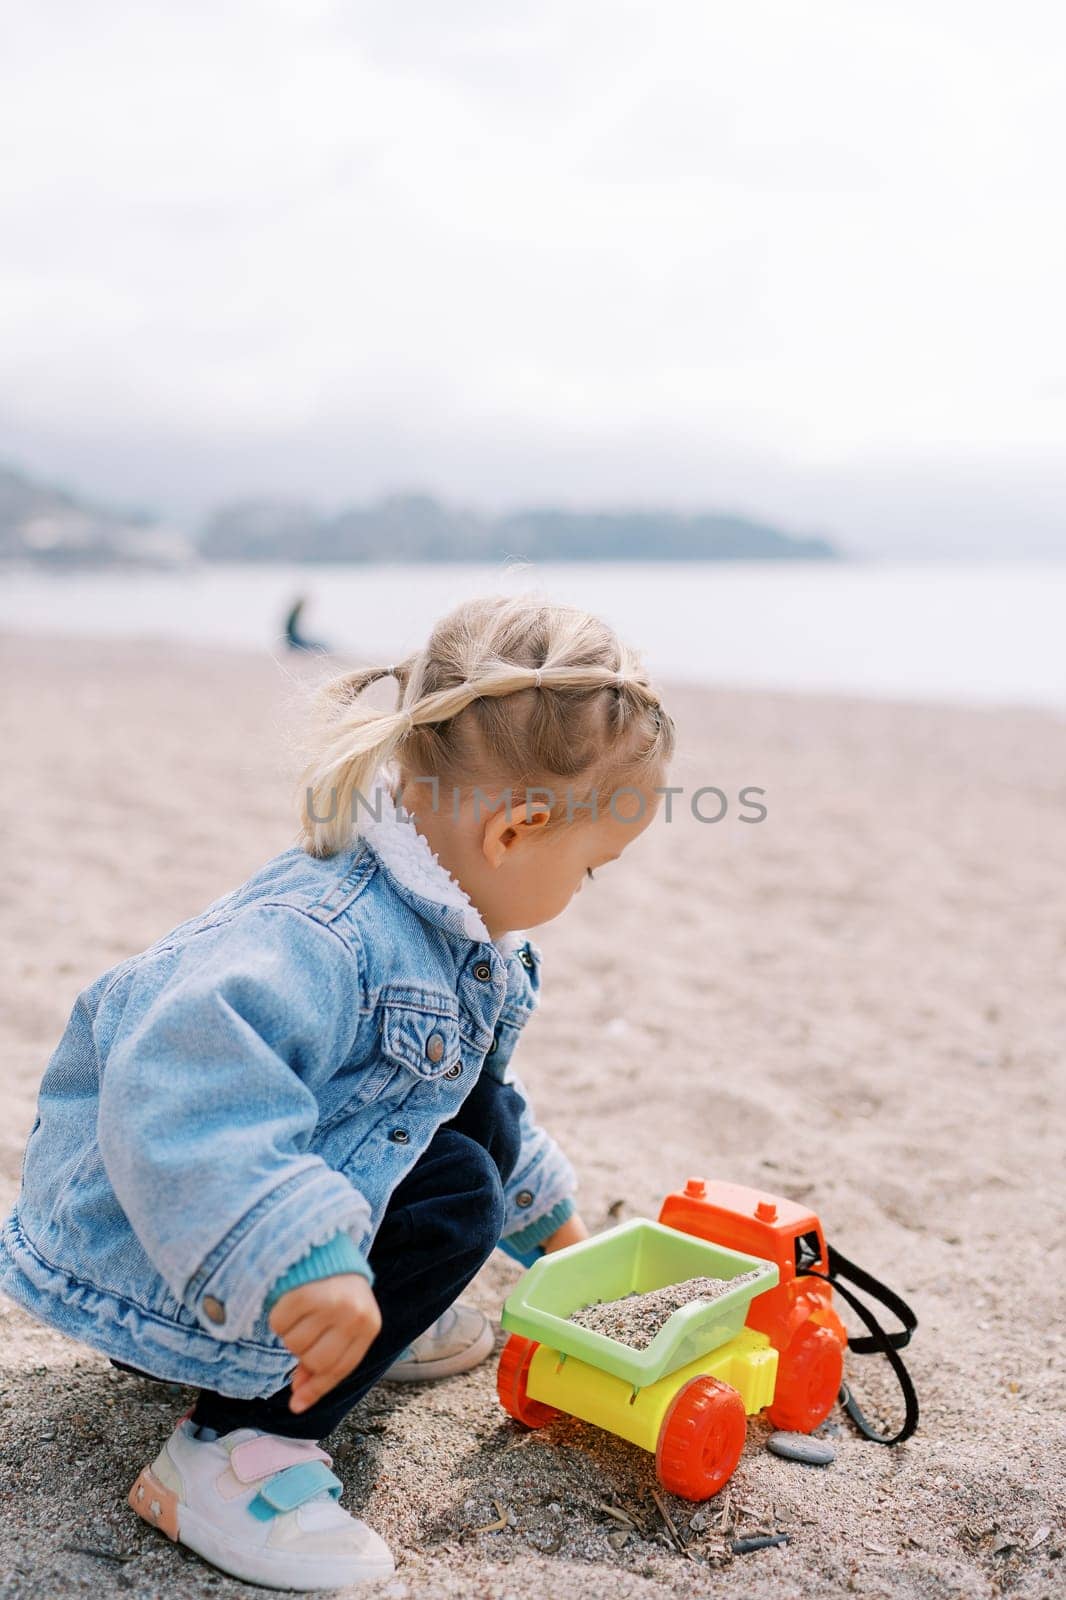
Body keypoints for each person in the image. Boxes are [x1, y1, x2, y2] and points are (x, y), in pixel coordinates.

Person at [0, 593, 676, 1590]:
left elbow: (480, 1102)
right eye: (591, 868)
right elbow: (178, 1088)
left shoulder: (458, 929)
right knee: (453, 1201)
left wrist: (562, 1239)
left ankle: (370, 1317)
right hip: (169, 1256)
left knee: (465, 1136)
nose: (584, 890)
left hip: (234, 1235)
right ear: (517, 830)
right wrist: (306, 1259)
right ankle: (229, 1455)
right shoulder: (323, 936)